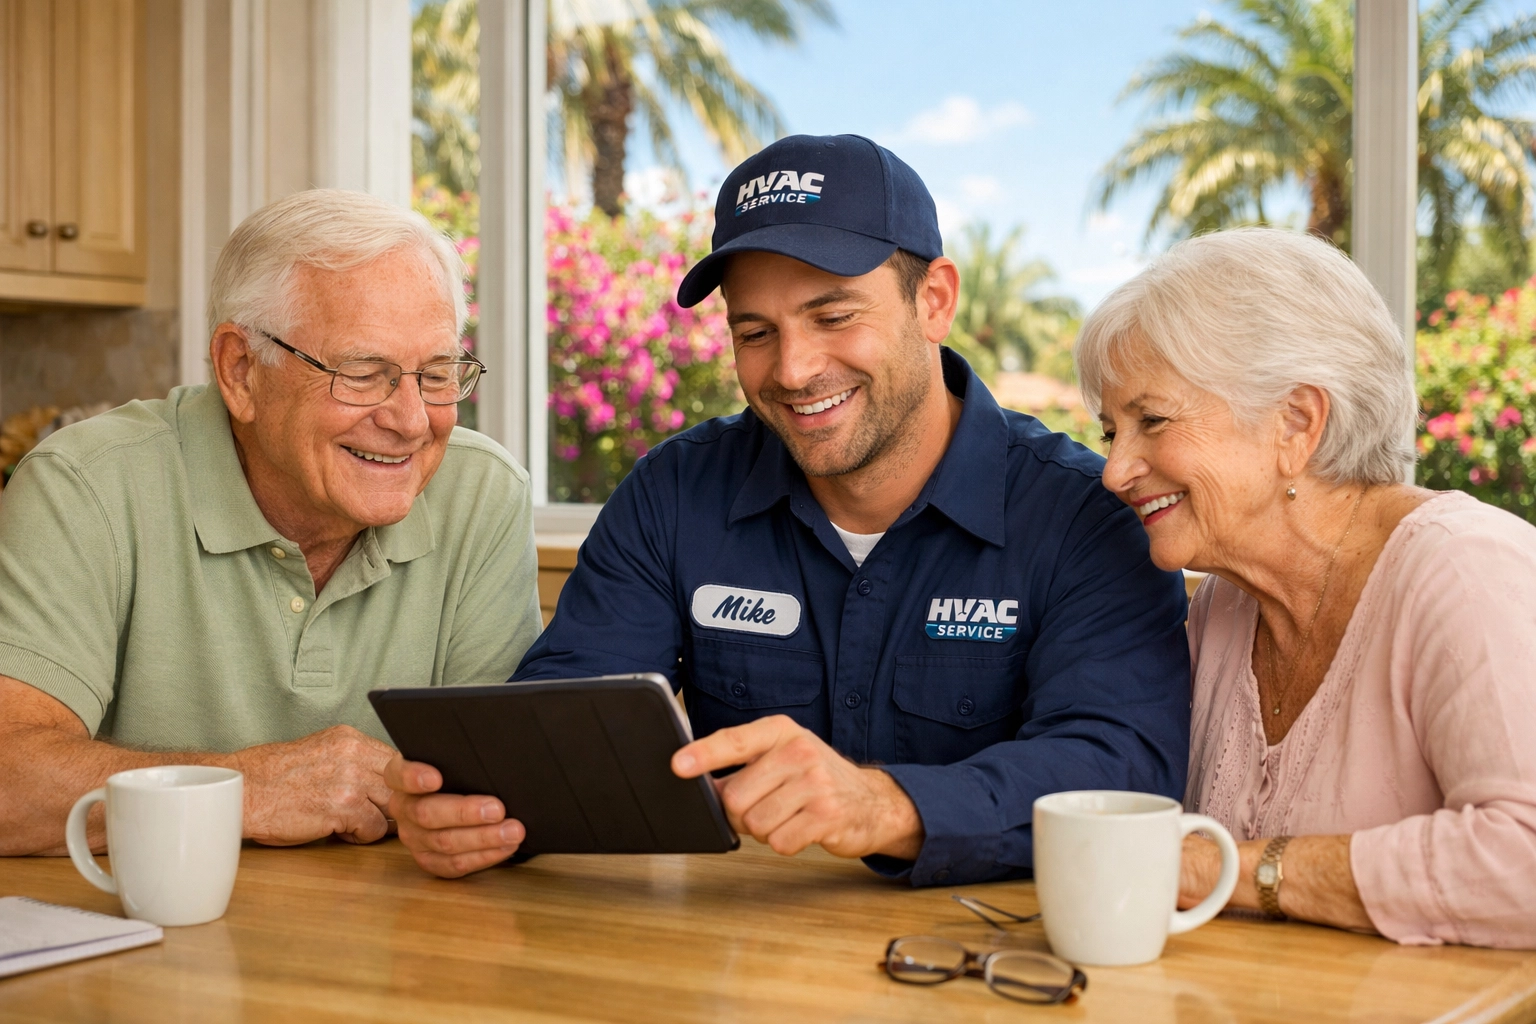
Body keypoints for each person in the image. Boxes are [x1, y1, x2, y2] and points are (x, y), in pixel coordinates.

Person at [386, 134, 1192, 884]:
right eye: (754, 332)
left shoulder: (1086, 513)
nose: (795, 368)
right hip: (728, 959)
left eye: (833, 316)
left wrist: (886, 805)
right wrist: (476, 811)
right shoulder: (673, 493)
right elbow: (559, 727)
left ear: (934, 301)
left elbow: (1120, 765)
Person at [0, 189, 543, 857]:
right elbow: (6, 785)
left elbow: (497, 793)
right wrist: (244, 787)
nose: (410, 420)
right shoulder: (85, 485)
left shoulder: (482, 492)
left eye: (435, 374)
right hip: (146, 938)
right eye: (362, 373)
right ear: (240, 370)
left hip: (392, 939)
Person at [1080, 227, 1536, 948]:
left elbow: (1526, 861)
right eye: (1112, 432)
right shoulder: (1223, 609)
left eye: (1152, 420)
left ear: (1296, 422)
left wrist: (1234, 872)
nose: (1115, 471)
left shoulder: (1466, 568)